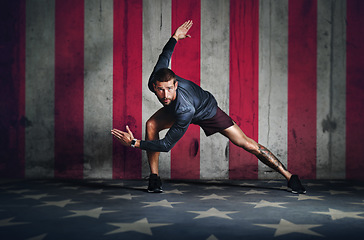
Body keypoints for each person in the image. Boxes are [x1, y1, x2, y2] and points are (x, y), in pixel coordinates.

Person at [111, 20, 306, 194]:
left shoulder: (184, 108)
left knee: (246, 143)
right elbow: (166, 55)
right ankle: (154, 178)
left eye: (170, 89)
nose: (165, 95)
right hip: (180, 109)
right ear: (154, 86)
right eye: (161, 90)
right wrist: (174, 37)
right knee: (151, 124)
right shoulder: (156, 79)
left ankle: (289, 176)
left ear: (176, 84)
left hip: (206, 110)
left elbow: (166, 145)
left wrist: (134, 143)